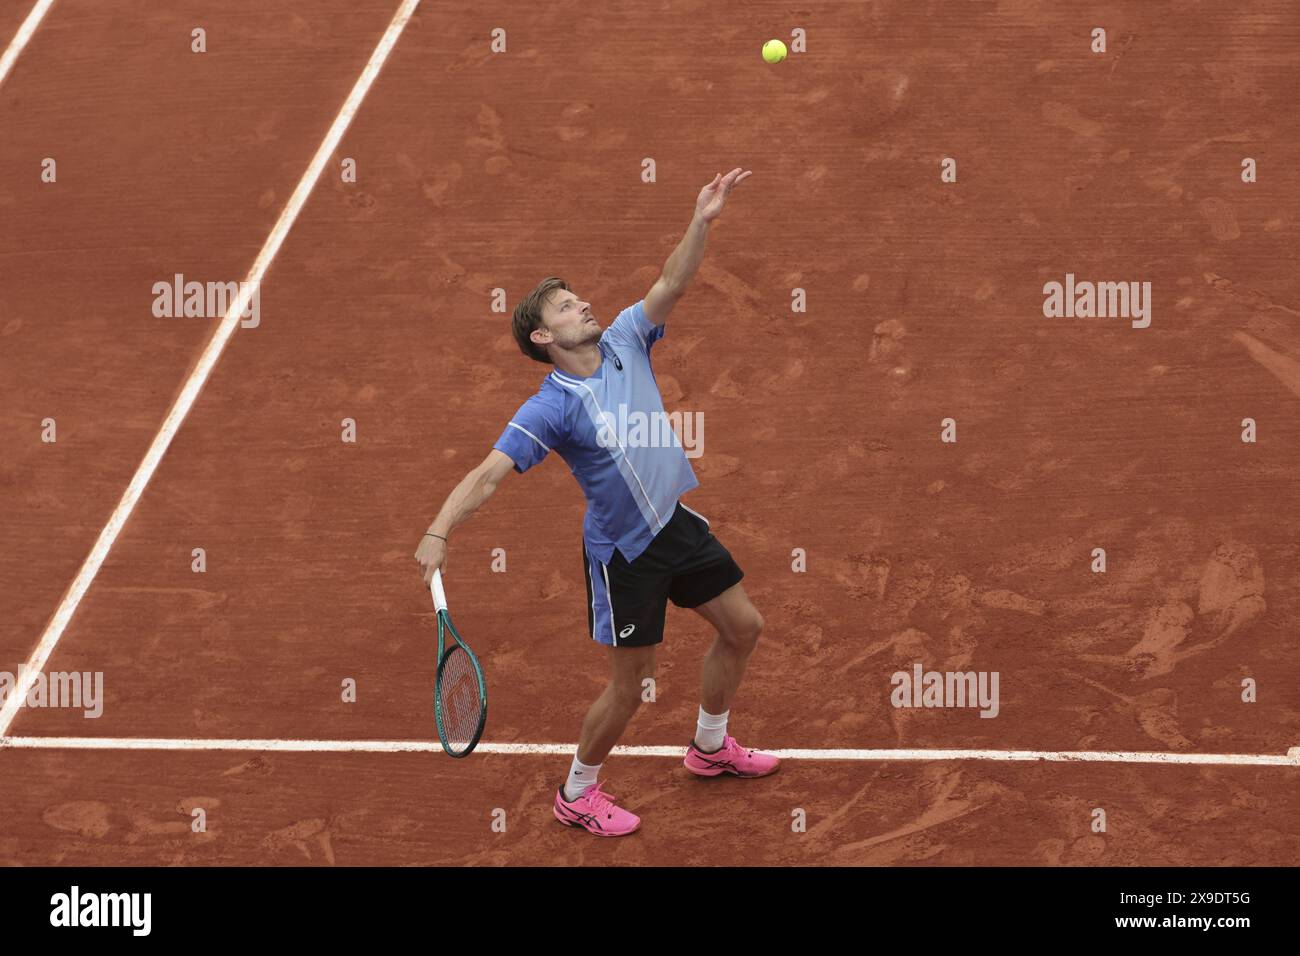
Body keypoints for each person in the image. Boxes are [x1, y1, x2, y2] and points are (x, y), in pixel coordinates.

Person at [415, 168, 777, 837]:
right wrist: (439, 529)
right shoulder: (548, 408)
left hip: (675, 525)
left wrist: (701, 220)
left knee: (742, 627)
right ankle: (577, 792)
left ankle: (710, 746)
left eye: (577, 299)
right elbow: (491, 472)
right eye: (564, 308)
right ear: (542, 340)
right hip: (624, 557)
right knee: (632, 686)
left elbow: (671, 284)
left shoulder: (626, 341)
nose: (583, 306)